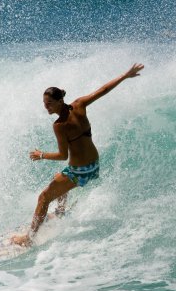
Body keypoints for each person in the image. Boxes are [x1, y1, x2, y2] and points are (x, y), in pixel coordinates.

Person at [11, 63, 144, 247]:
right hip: (94, 165)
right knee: (57, 178)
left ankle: (29, 238)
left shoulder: (59, 125)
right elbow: (104, 90)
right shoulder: (79, 104)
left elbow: (62, 155)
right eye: (44, 104)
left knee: (43, 198)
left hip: (79, 171)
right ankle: (60, 211)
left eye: (49, 103)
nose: (46, 107)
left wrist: (41, 155)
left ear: (59, 101)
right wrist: (125, 75)